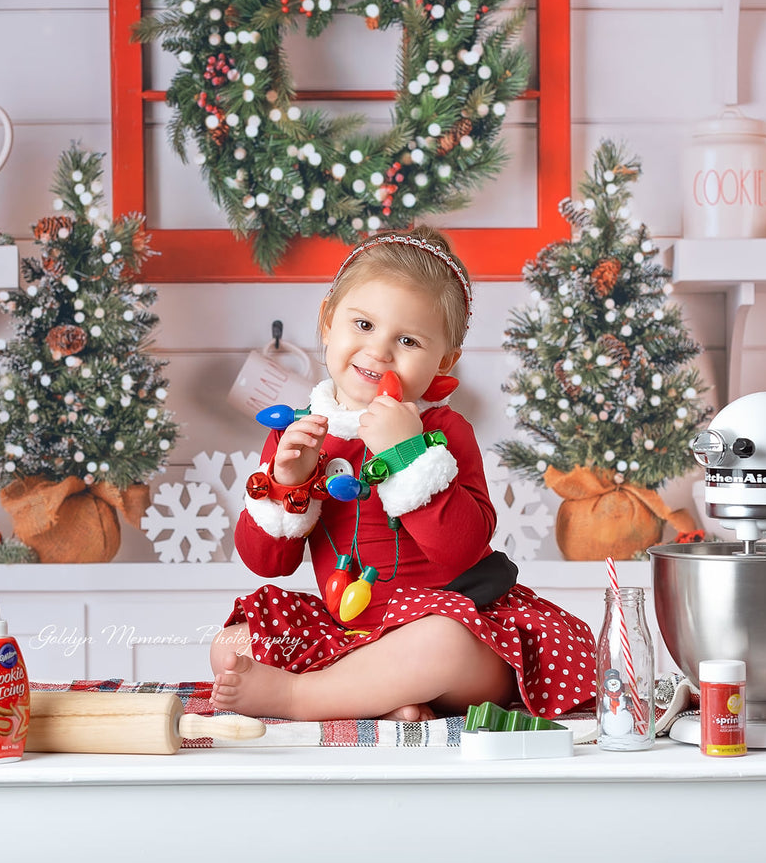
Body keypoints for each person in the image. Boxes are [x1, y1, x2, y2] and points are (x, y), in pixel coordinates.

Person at [211, 226, 597, 722]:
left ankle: (299, 699)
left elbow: (462, 546)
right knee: (230, 646)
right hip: (351, 633)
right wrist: (288, 486)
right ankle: (388, 698)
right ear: (329, 320)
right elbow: (266, 563)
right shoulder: (301, 432)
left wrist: (408, 453)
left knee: (441, 643)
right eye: (364, 324)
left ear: (445, 360)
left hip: (461, 625)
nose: (379, 352)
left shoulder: (442, 431)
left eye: (408, 339)